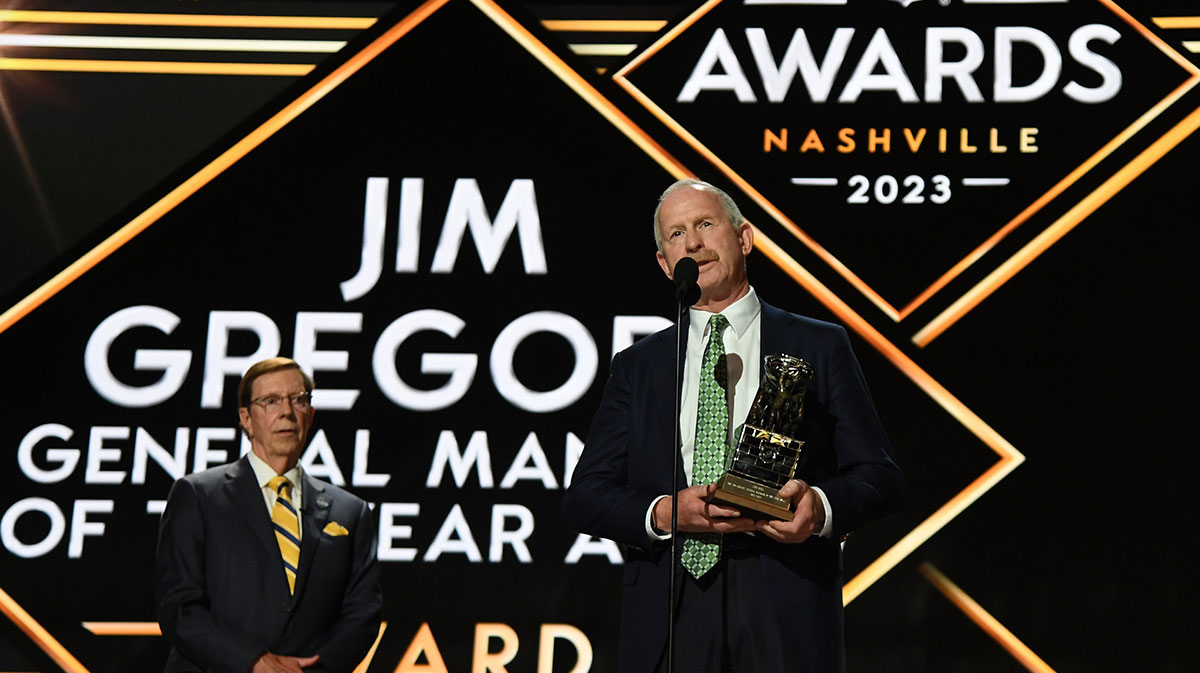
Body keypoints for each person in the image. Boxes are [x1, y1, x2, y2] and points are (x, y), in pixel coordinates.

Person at [562, 178, 905, 672]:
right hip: (671, 608)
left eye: (705, 224)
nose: (694, 243)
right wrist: (665, 513)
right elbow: (586, 496)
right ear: (664, 264)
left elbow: (881, 476)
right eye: (676, 234)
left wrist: (820, 507)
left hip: (785, 601)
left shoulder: (819, 344)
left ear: (744, 238)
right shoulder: (639, 365)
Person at [156, 357, 381, 673]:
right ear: (246, 418)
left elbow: (362, 613)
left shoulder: (350, 512)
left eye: (298, 400)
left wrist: (307, 670)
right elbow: (179, 608)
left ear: (311, 414)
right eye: (271, 401)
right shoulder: (198, 496)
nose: (287, 411)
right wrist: (255, 662)